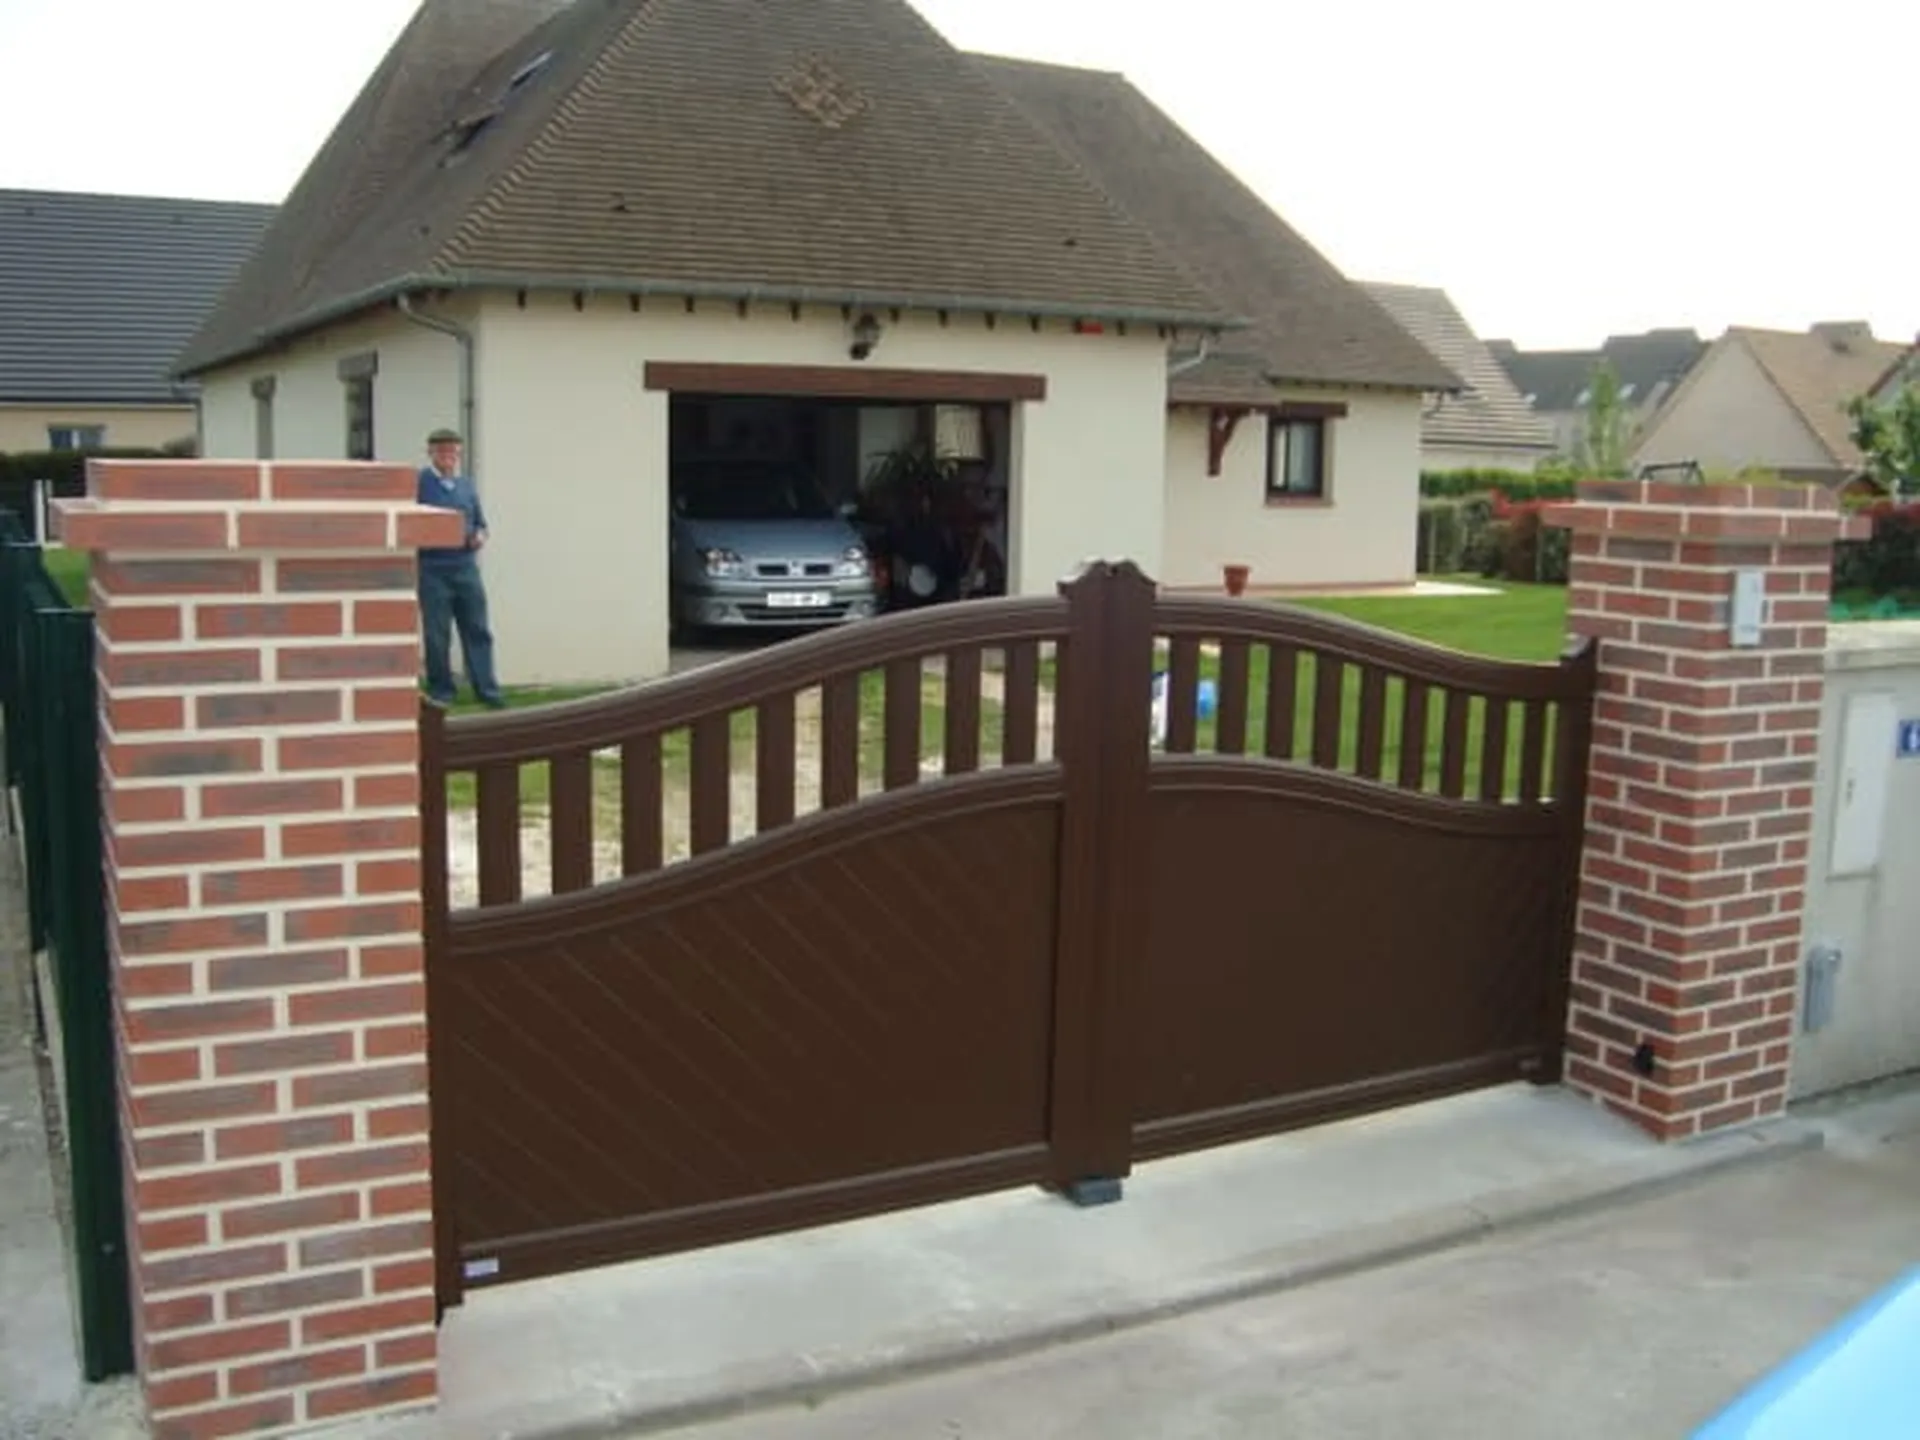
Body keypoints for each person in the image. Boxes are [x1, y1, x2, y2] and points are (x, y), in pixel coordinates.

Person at [416, 427, 505, 708]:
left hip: (465, 565)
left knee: (477, 628)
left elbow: (480, 522)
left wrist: (480, 535)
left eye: (453, 452)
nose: (448, 457)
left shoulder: (466, 485)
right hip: (433, 566)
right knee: (437, 633)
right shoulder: (419, 484)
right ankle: (442, 690)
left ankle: (487, 690)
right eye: (442, 451)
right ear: (431, 453)